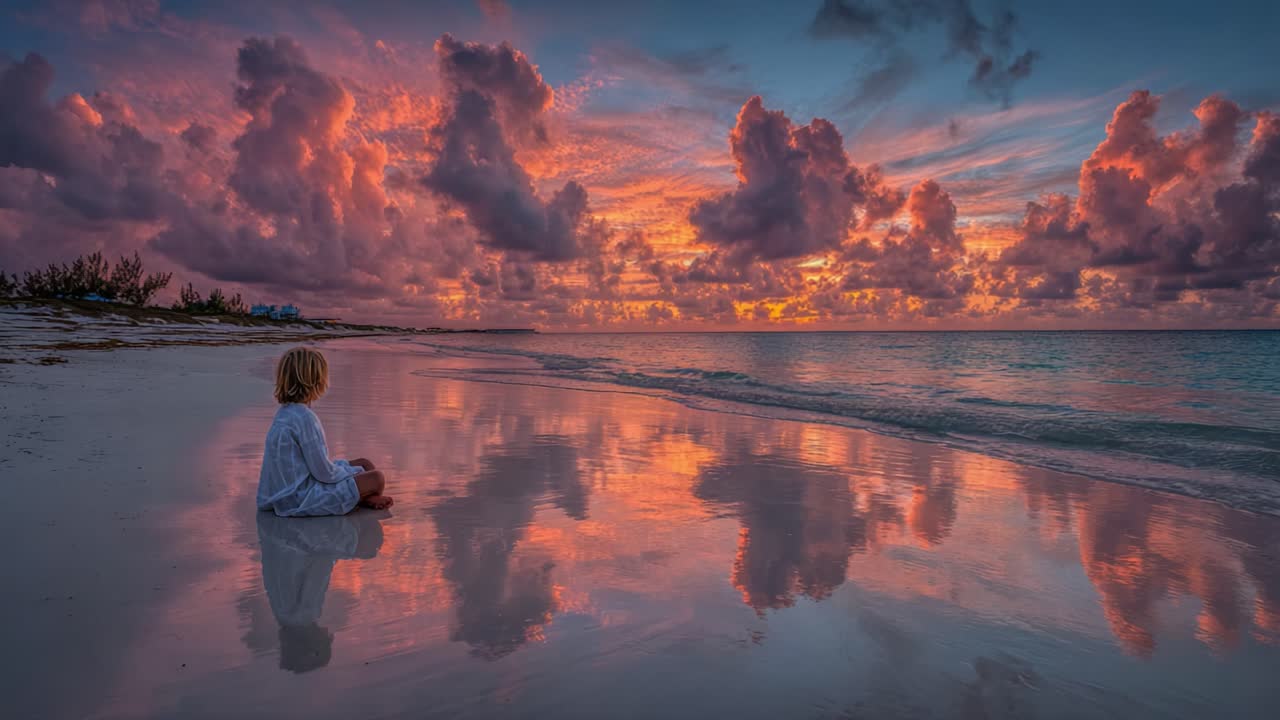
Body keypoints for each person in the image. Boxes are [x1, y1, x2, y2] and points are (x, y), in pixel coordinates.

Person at [257, 347, 393, 516]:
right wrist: (351, 473)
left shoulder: (284, 413)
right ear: (316, 381)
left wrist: (352, 470)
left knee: (365, 463)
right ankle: (363, 498)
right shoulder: (305, 418)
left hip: (288, 491)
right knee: (376, 478)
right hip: (301, 498)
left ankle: (365, 497)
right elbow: (324, 473)